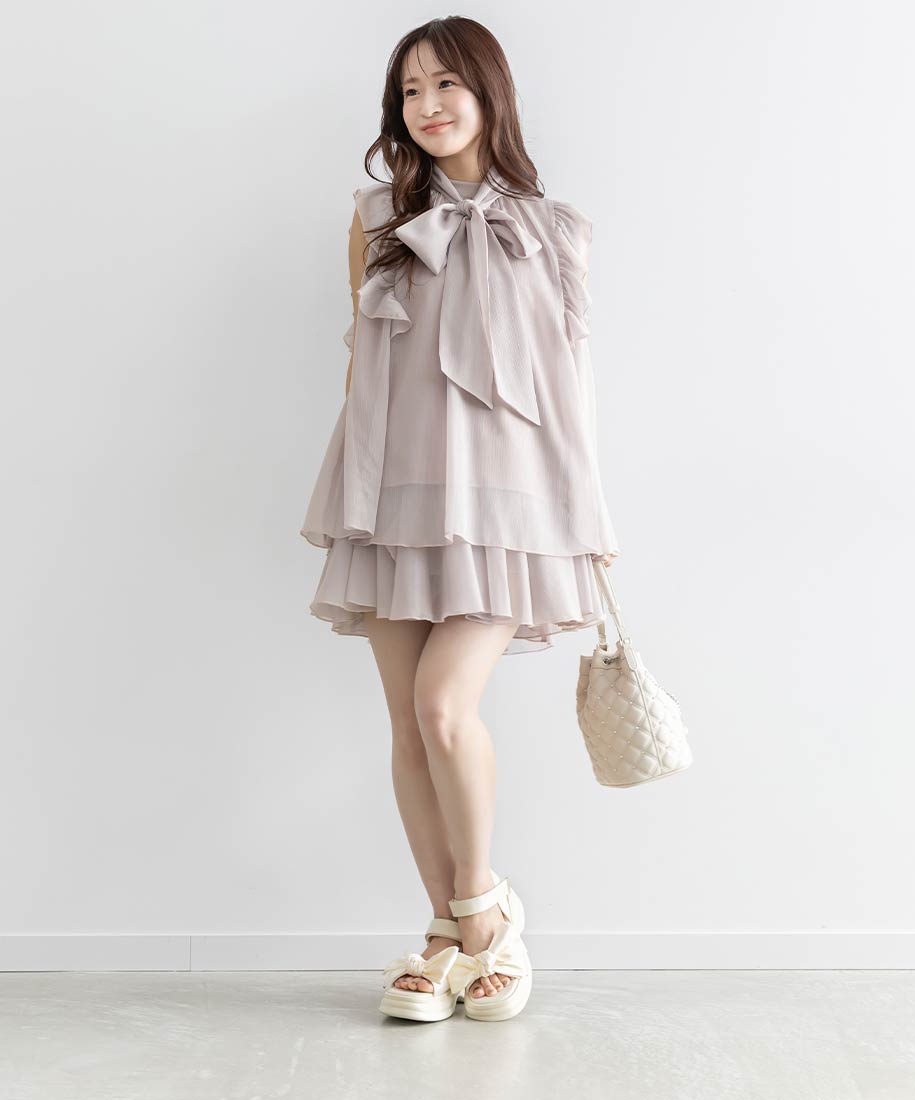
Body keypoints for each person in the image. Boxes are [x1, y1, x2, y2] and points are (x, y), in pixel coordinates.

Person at [299, 17, 621, 1023]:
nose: (426, 105)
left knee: (444, 706)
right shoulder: (375, 218)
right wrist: (350, 495)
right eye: (409, 91)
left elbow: (570, 389)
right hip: (392, 492)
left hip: (505, 506)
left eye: (445, 84)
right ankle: (445, 935)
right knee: (407, 721)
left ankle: (484, 917)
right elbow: (362, 366)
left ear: (489, 93)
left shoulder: (552, 228)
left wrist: (590, 515)